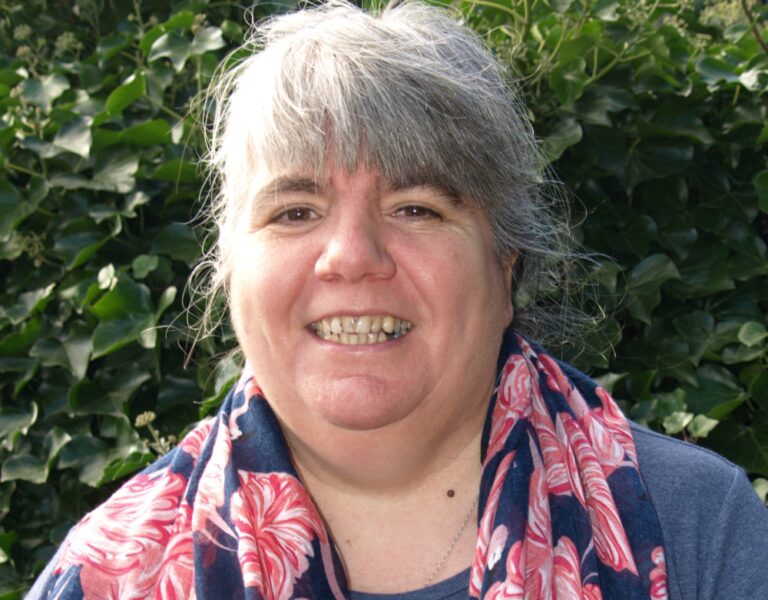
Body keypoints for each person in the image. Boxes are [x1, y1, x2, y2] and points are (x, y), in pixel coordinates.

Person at [28, 1, 768, 599]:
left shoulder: (701, 532)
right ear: (227, 272)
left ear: (504, 268)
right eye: (294, 211)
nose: (351, 255)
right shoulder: (102, 579)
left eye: (416, 208)